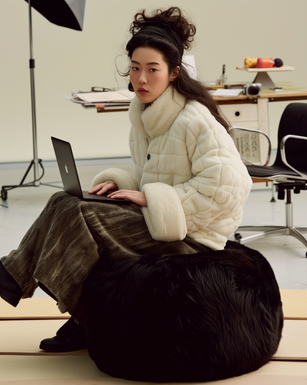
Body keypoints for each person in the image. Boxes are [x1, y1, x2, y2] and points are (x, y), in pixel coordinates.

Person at [0, 7, 252, 352]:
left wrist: (152, 198)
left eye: (152, 70)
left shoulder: (195, 120)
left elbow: (230, 188)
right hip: (158, 219)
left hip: (192, 237)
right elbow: (150, 170)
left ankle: (78, 317)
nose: (141, 79)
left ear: (174, 73)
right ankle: (31, 288)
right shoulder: (145, 114)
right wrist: (121, 181)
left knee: (80, 216)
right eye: (135, 68)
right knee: (65, 200)